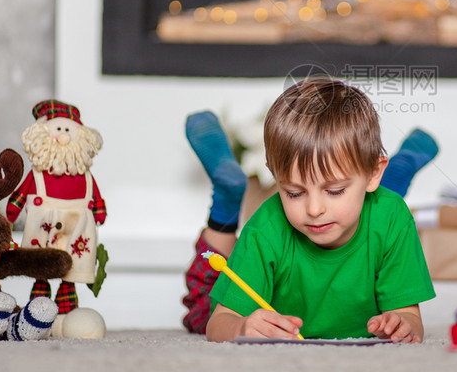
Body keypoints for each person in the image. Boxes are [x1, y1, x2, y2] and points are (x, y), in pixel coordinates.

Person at [181, 78, 439, 342]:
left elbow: (410, 319)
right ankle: (227, 198)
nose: (314, 209)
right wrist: (242, 328)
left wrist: (402, 324)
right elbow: (218, 323)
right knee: (202, 305)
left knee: (382, 209)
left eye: (335, 190)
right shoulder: (265, 227)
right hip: (365, 201)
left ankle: (388, 181)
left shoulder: (394, 218)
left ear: (374, 173)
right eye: (294, 192)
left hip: (379, 204)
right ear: (275, 177)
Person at [6, 99, 107, 332]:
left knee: (71, 270)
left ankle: (66, 317)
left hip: (78, 227)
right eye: (58, 129)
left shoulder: (84, 173)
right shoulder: (38, 173)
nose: (63, 135)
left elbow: (96, 196)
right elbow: (21, 193)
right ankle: (36, 317)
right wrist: (13, 210)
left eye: (67, 130)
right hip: (43, 224)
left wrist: (98, 210)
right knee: (41, 268)